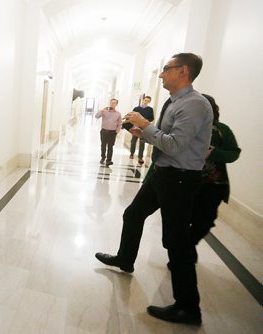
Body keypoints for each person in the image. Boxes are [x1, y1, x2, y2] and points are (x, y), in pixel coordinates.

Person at [94, 53, 213, 325]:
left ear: (183, 71)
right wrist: (144, 133)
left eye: (166, 69)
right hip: (163, 173)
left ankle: (188, 307)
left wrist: (147, 126)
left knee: (177, 242)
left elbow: (174, 146)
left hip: (179, 179)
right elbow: (166, 139)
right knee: (132, 215)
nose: (161, 75)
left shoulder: (195, 104)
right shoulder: (174, 102)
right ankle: (125, 259)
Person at [189, 94, 241, 261]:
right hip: (186, 181)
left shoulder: (221, 129)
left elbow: (234, 153)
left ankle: (188, 246)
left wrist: (215, 152)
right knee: (183, 218)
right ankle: (183, 252)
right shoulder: (186, 126)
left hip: (213, 185)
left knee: (205, 221)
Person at [95, 98, 122, 167]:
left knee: (110, 146)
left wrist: (116, 132)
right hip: (104, 131)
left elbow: (119, 124)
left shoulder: (118, 114)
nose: (112, 104)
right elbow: (96, 116)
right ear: (110, 103)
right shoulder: (104, 111)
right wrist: (101, 111)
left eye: (114, 103)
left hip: (112, 132)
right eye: (111, 103)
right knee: (103, 145)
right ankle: (103, 157)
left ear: (116, 104)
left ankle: (108, 160)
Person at [129, 96, 154, 164]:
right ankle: (131, 154)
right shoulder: (136, 108)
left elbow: (152, 118)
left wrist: (144, 121)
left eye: (148, 101)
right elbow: (131, 116)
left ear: (149, 102)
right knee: (133, 141)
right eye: (145, 100)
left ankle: (140, 157)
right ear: (143, 100)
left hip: (143, 128)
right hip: (135, 127)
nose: (146, 102)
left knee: (142, 142)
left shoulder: (150, 109)